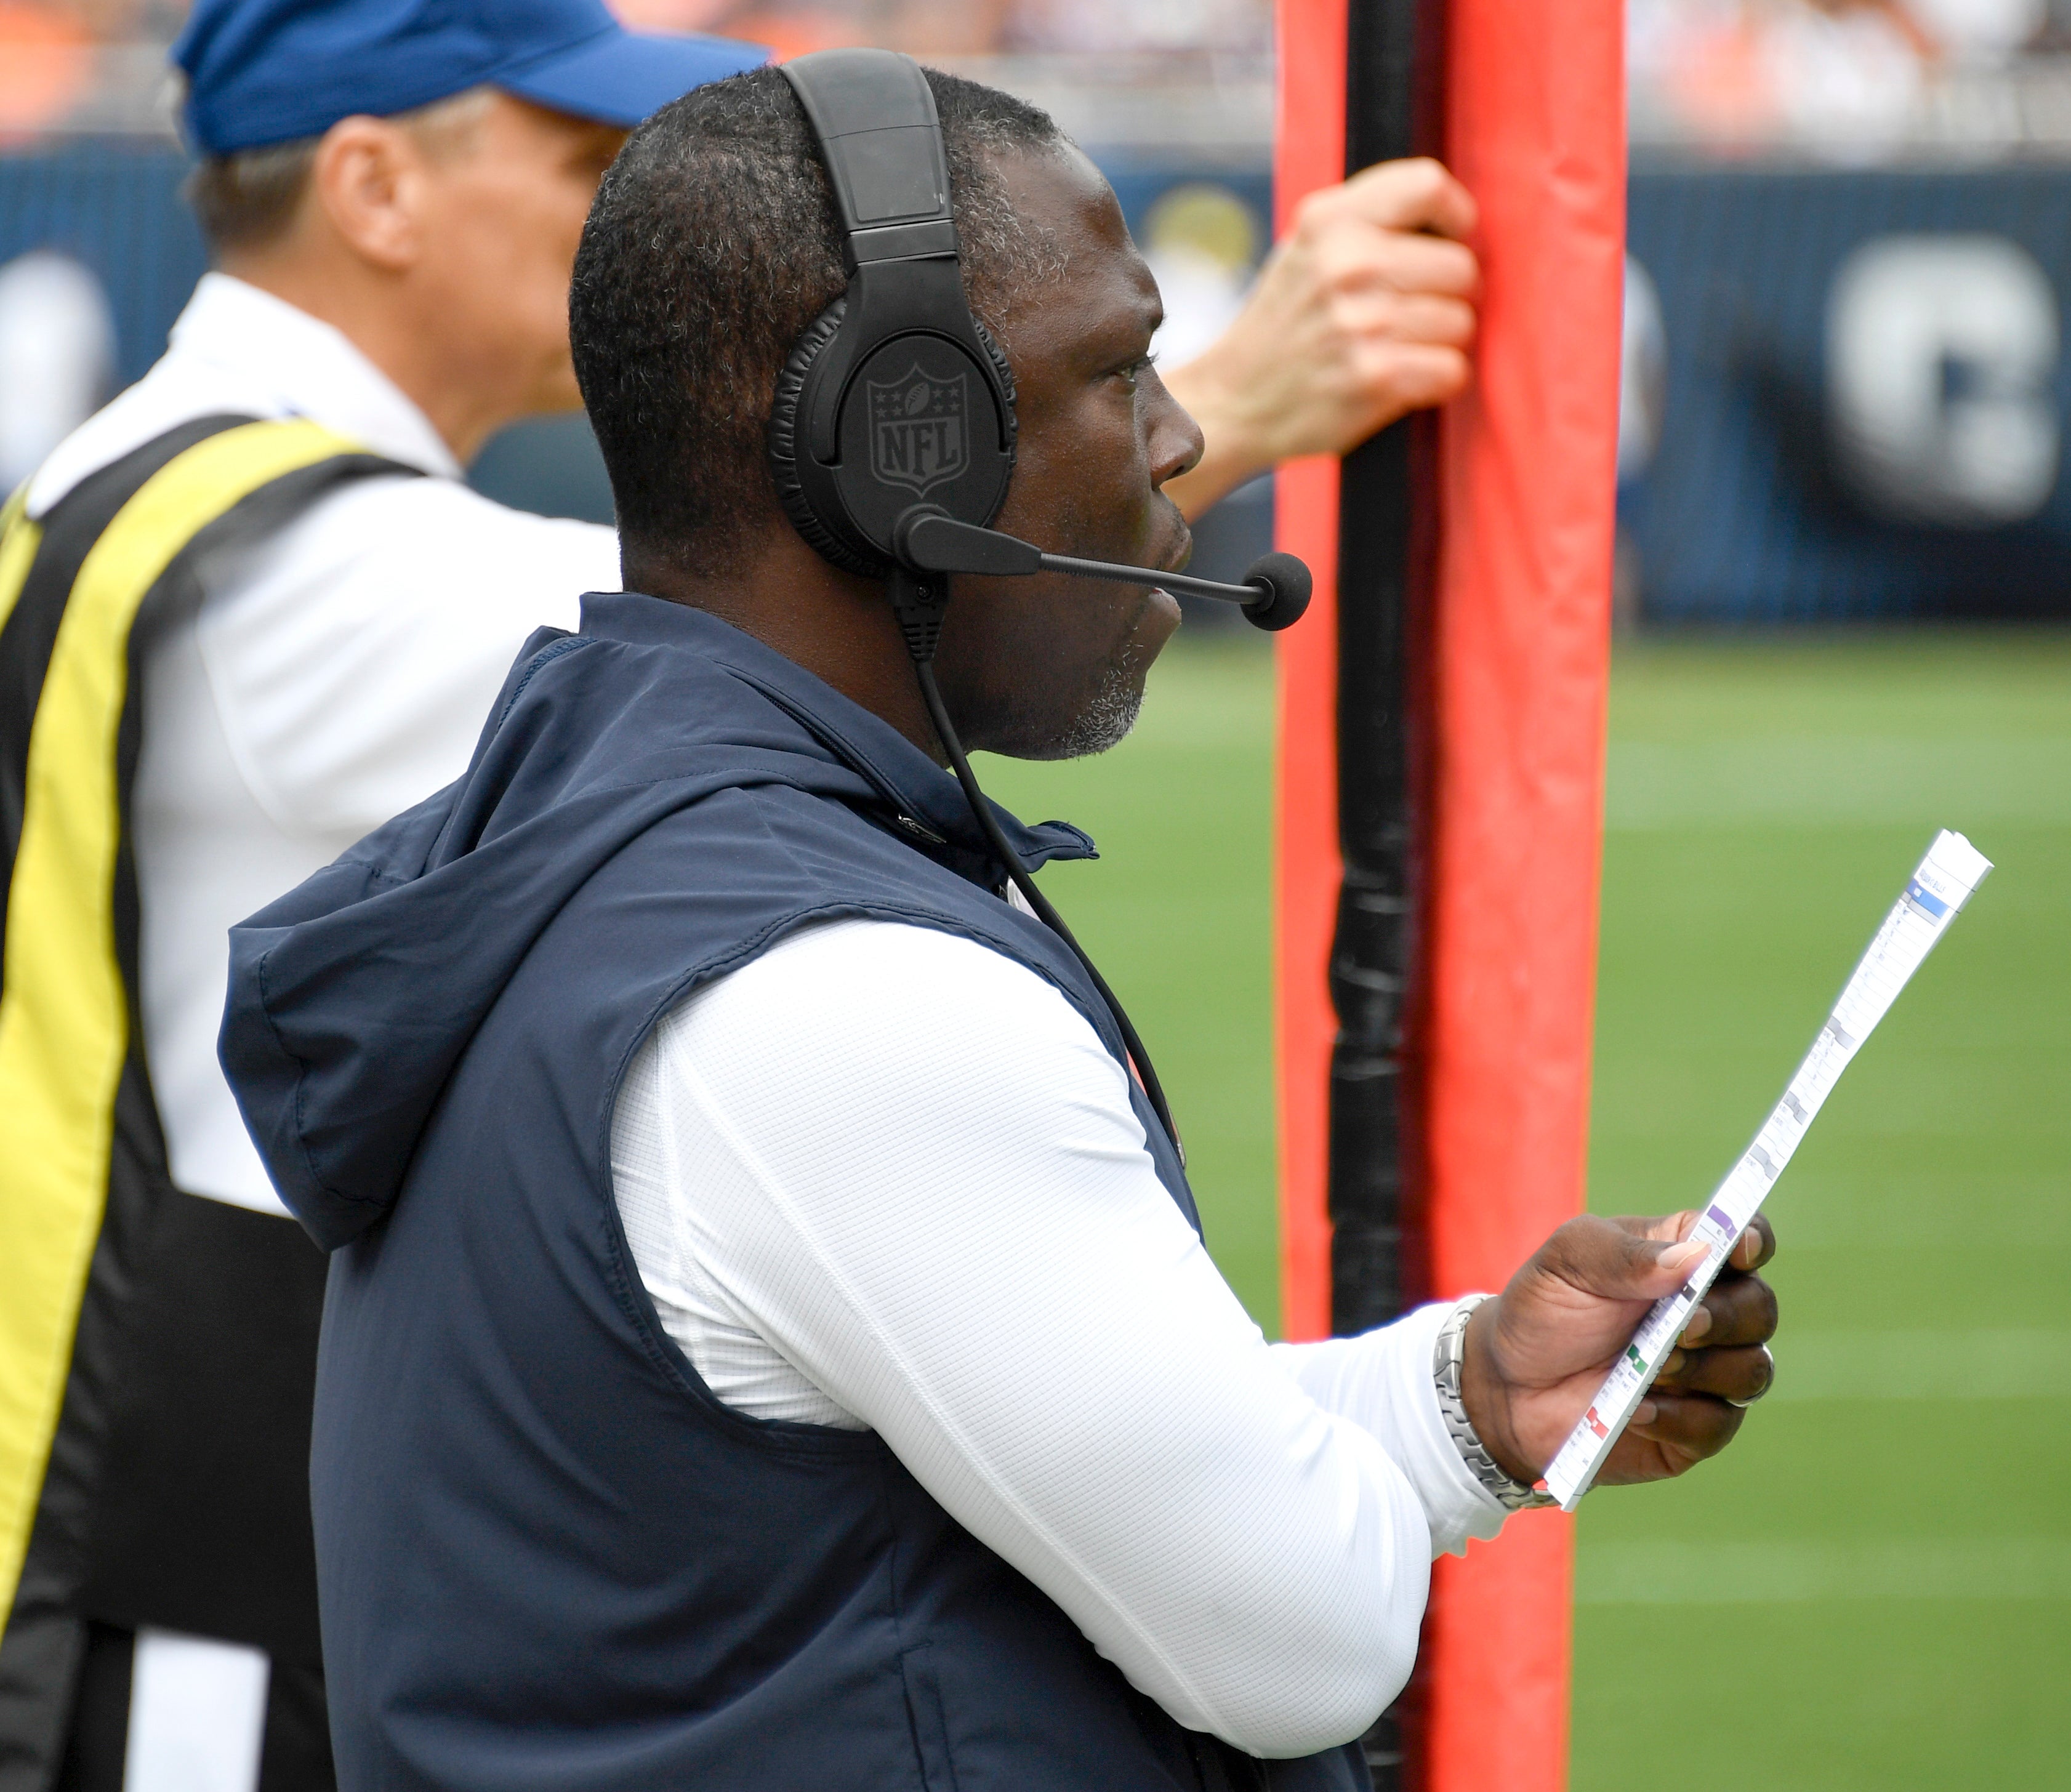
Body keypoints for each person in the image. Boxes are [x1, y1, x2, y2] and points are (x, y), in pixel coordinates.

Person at [218, 60, 1781, 1792]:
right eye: (1120, 372)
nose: (1183, 440)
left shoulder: (613, 844)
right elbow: (1304, 1639)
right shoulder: (833, 996)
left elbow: (1010, 1485)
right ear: (907, 455)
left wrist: (1463, 1407)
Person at [0, 4, 1478, 1790]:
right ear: (373, 182)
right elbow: (769, 584)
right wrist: (1235, 392)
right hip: (201, 1601)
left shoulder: (164, 486)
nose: (612, 196)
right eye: (567, 154)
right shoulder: (289, 554)